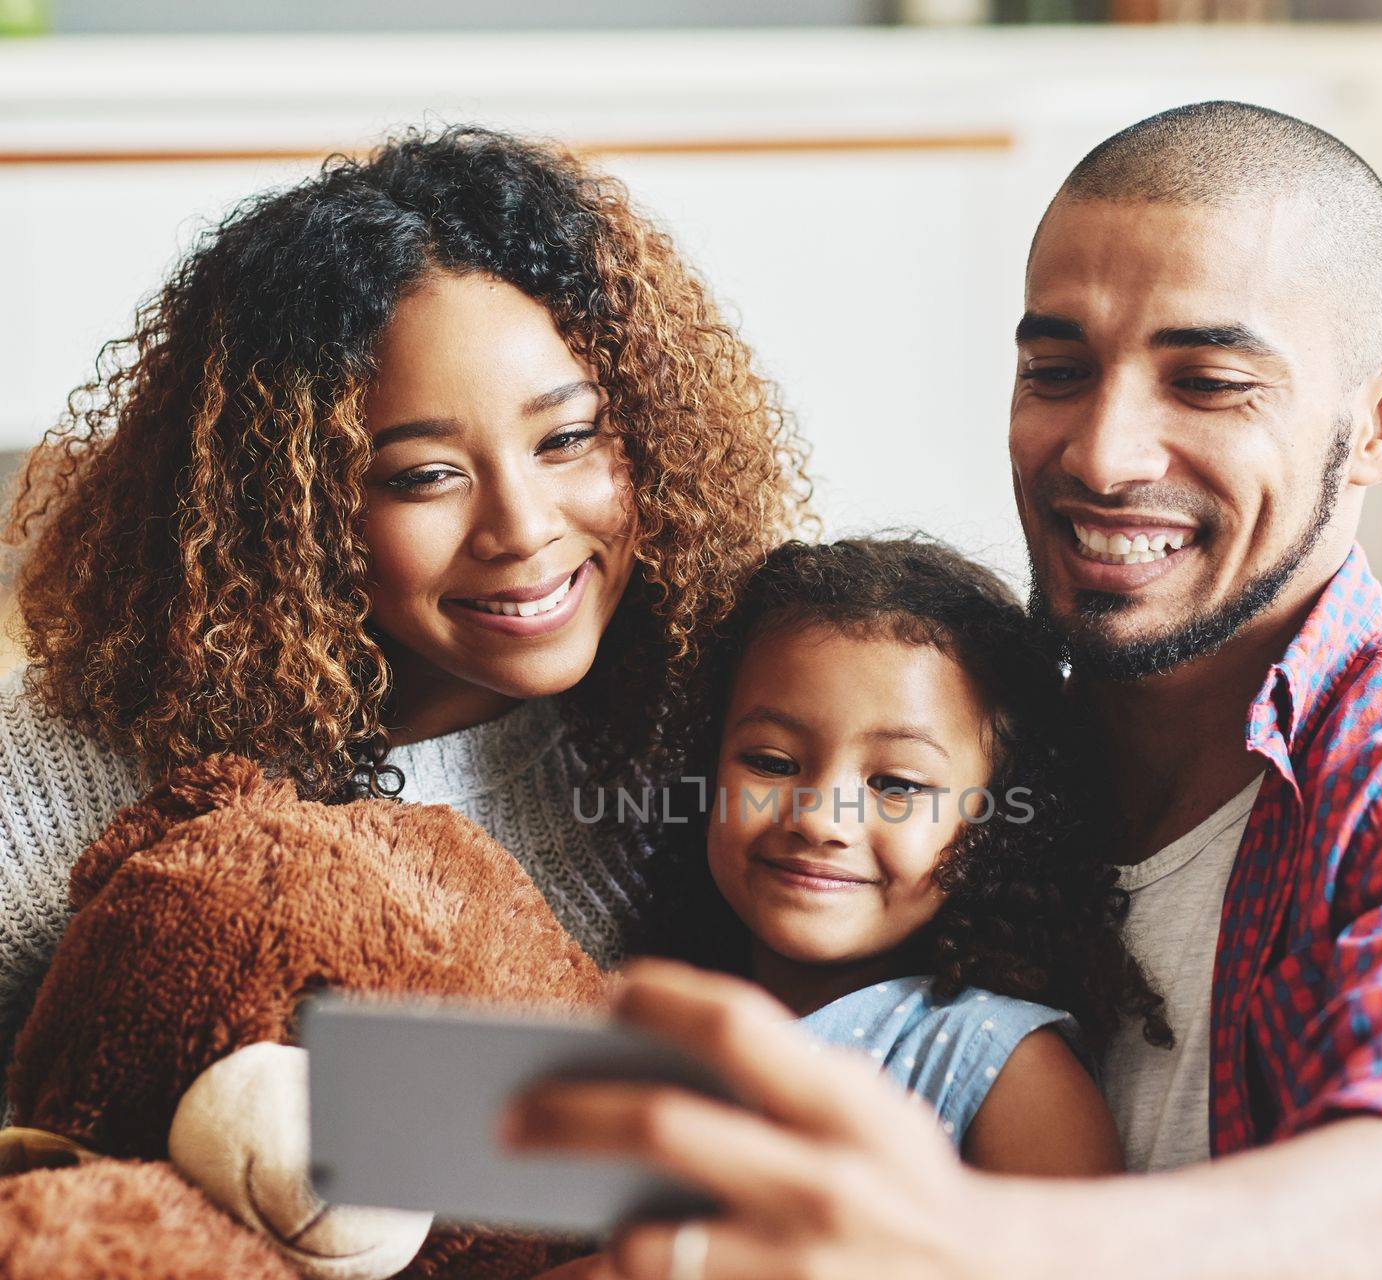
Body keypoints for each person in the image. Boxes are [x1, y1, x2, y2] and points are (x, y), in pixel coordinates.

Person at [499, 103, 1382, 1280]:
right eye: (1056, 368)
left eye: (1208, 378)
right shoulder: (958, 782)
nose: (1102, 449)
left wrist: (968, 1268)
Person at [479, 535, 1185, 1280]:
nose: (821, 816)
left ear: (988, 824)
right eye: (770, 762)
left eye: (897, 782)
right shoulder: (638, 1032)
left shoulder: (990, 1057)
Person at [0, 124, 808, 1055]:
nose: (523, 528)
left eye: (567, 439)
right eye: (423, 477)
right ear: (284, 509)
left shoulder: (728, 743)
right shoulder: (64, 770)